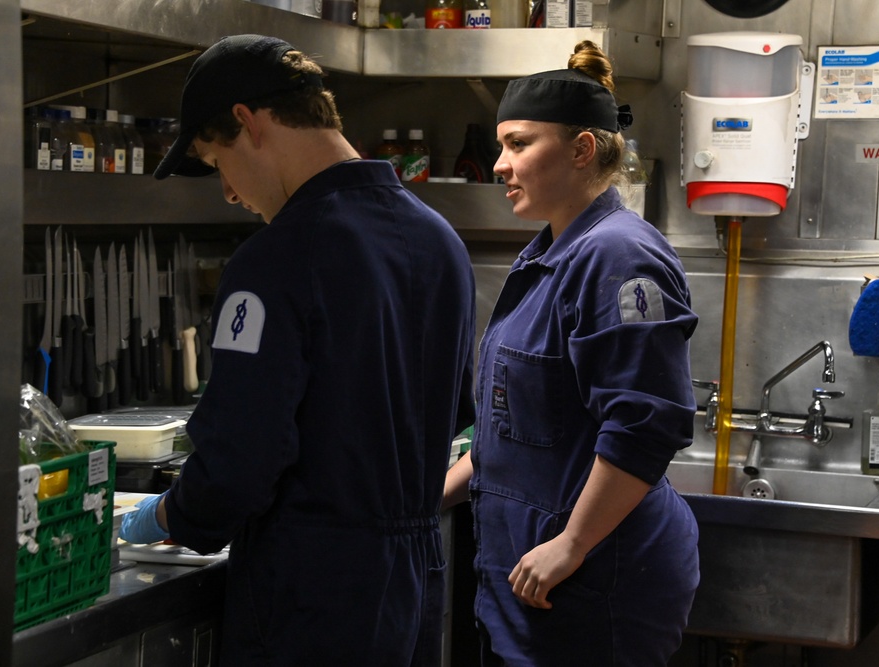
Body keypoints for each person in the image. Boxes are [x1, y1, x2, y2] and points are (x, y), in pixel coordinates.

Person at [119, 34, 477, 666]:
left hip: (313, 595)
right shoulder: (438, 238)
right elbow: (453, 414)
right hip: (413, 580)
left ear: (246, 123)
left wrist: (170, 515)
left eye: (216, 163)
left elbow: (240, 459)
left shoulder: (278, 258)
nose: (228, 192)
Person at [442, 40, 700, 666]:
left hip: (595, 581)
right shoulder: (545, 257)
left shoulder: (619, 257)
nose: (499, 164)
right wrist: (433, 494)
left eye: (519, 145)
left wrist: (572, 544)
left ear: (582, 149)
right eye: (501, 144)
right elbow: (515, 431)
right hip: (526, 578)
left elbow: (647, 424)